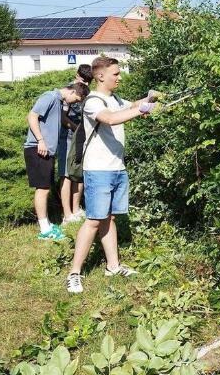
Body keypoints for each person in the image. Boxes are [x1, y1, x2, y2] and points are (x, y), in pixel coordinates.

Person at [66, 57, 160, 293]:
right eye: (115, 74)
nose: (120, 77)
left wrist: (151, 99)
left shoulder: (114, 98)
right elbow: (110, 119)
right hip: (98, 169)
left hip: (117, 167)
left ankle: (113, 266)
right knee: (94, 220)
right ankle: (74, 273)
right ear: (100, 76)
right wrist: (141, 110)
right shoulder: (93, 102)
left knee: (109, 218)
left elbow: (130, 106)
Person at [24, 82, 89, 240]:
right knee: (43, 189)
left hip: (46, 150)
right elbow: (32, 116)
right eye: (77, 99)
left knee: (45, 188)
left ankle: (46, 224)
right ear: (72, 91)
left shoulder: (59, 101)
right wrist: (40, 140)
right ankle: (45, 229)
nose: (76, 102)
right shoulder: (50, 97)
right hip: (37, 148)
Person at [59, 64, 93, 224]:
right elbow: (63, 117)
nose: (85, 83)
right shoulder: (68, 91)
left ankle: (76, 208)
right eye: (83, 79)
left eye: (88, 80)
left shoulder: (89, 93)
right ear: (76, 74)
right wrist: (76, 128)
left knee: (79, 174)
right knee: (66, 174)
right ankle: (67, 215)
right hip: (68, 137)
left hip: (82, 138)